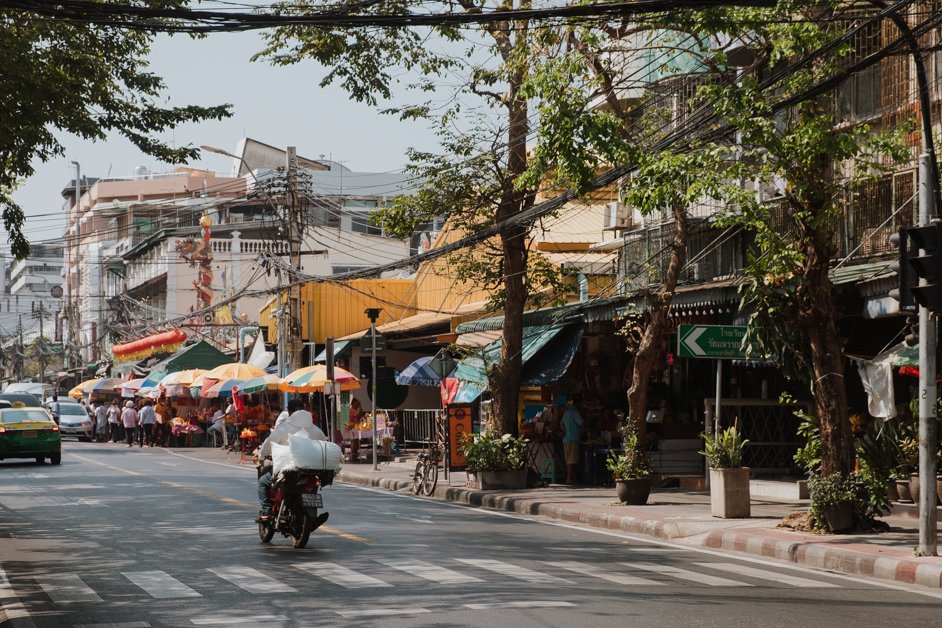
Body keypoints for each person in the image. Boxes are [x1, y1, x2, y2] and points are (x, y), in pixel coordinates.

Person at [255, 399, 327, 521]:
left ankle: (266, 510)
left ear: (289, 411)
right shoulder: (316, 429)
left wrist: (261, 454)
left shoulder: (283, 428)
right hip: (311, 469)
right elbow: (324, 445)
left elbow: (268, 445)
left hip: (288, 469)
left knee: (262, 482)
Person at [562, 397, 584, 485]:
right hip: (573, 438)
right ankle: (569, 478)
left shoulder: (566, 412)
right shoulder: (575, 412)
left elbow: (561, 424)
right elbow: (581, 422)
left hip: (566, 439)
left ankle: (572, 478)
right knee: (572, 459)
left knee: (568, 460)